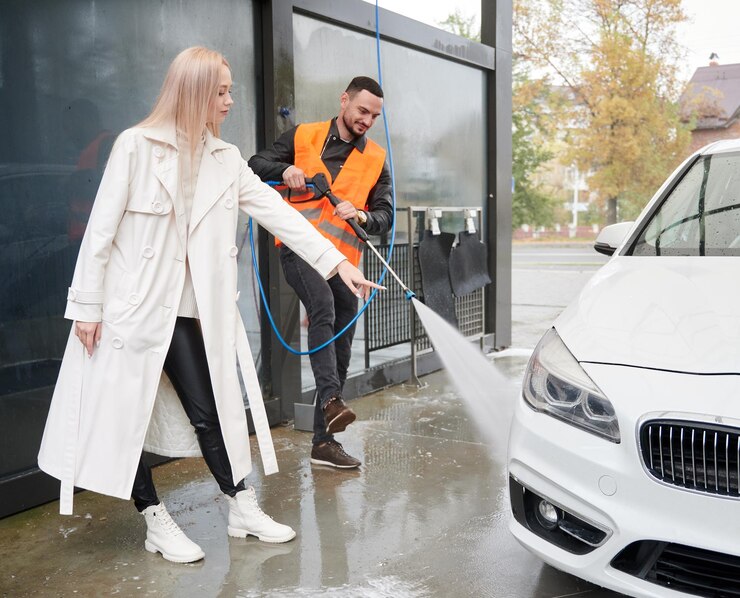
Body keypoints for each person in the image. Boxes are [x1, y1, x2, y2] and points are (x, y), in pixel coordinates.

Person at [37, 47, 381, 564]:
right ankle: (153, 517)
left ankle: (241, 507)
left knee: (210, 412)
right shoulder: (136, 147)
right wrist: (86, 306)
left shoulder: (225, 160)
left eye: (229, 90)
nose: (229, 100)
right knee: (120, 415)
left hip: (184, 313)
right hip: (127, 312)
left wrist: (340, 265)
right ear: (195, 92)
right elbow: (100, 231)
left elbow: (278, 215)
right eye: (221, 91)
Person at [248, 76, 393, 470]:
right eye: (362, 110)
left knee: (343, 330)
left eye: (374, 115)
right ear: (344, 101)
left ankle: (323, 442)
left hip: (342, 262)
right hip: (299, 249)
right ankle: (330, 401)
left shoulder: (376, 159)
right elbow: (255, 164)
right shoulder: (304, 136)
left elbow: (385, 216)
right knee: (324, 307)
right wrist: (288, 168)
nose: (367, 120)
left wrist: (361, 213)